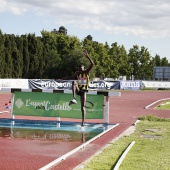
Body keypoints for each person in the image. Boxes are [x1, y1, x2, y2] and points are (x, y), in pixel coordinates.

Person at [61, 50, 94, 127]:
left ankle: (83, 123)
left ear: (83, 68)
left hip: (84, 91)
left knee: (82, 107)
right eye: (79, 69)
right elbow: (70, 77)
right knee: (74, 82)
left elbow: (92, 64)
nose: (80, 70)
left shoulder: (86, 72)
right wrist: (62, 79)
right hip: (79, 90)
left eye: (81, 69)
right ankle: (74, 99)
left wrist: (87, 56)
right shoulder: (77, 73)